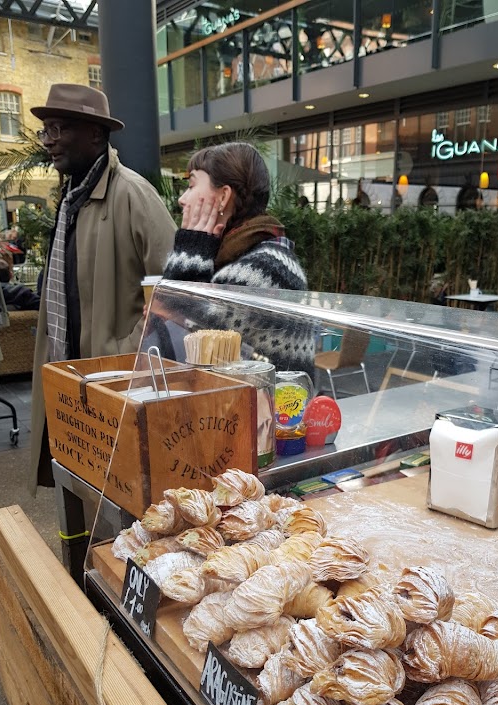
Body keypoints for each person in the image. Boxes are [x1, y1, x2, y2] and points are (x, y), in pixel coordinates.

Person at [28, 83, 177, 494]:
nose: (50, 141)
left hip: (113, 383)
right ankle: (79, 560)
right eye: (47, 131)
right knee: (74, 490)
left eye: (59, 129)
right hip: (69, 380)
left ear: (95, 133)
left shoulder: (132, 193)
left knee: (119, 499)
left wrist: (127, 349)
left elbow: (175, 288)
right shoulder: (71, 198)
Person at [159, 142, 314, 375]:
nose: (182, 199)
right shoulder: (228, 254)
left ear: (223, 197)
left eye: (191, 185)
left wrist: (191, 246)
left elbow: (188, 340)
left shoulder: (266, 267)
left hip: (275, 406)